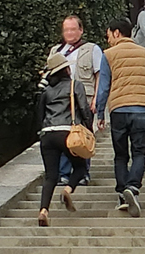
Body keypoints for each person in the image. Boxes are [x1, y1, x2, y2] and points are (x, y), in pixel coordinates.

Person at [95, 17, 145, 218]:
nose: (108, 40)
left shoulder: (109, 54)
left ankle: (123, 193)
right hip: (143, 107)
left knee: (121, 155)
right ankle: (133, 186)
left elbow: (104, 87)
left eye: (108, 35)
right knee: (139, 153)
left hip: (119, 109)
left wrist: (100, 112)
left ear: (116, 33)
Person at [35, 52, 93, 227]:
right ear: (67, 69)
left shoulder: (46, 91)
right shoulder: (75, 85)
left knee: (51, 175)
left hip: (48, 133)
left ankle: (43, 210)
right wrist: (89, 129)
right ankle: (68, 190)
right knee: (80, 167)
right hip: (68, 133)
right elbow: (84, 109)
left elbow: (39, 115)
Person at [48, 15, 103, 186]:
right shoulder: (56, 51)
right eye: (66, 29)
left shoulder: (91, 49)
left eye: (73, 29)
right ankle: (64, 173)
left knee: (82, 137)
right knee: (64, 136)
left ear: (81, 30)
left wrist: (97, 98)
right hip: (61, 102)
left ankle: (82, 173)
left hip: (83, 99)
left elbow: (99, 74)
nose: (70, 33)